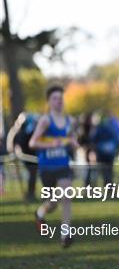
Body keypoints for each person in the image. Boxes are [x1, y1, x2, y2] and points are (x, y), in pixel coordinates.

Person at [29, 85, 78, 248]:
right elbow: (33, 142)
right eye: (55, 98)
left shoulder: (69, 121)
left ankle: (65, 234)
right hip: (47, 167)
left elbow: (71, 140)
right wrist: (50, 144)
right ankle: (40, 213)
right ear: (49, 102)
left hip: (63, 164)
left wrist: (73, 143)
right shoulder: (45, 121)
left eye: (60, 98)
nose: (59, 101)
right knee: (53, 203)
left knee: (66, 195)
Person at [6, 112, 39, 202]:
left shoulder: (31, 129)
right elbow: (11, 144)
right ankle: (30, 194)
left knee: (33, 174)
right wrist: (14, 152)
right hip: (24, 156)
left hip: (32, 155)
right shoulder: (16, 130)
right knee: (32, 173)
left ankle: (30, 193)